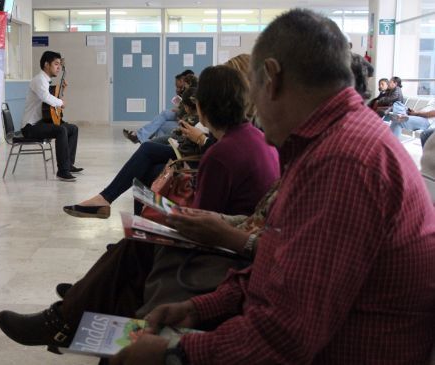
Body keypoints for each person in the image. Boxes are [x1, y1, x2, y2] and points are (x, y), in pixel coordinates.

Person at [107, 9, 434, 364]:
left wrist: (177, 353)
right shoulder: (328, 144)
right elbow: (284, 266)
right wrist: (199, 308)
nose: (253, 109)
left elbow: (286, 336)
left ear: (271, 78)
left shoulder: (344, 161)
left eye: (253, 91)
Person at [0, 65, 281, 354]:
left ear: (202, 109)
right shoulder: (257, 141)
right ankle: (78, 305)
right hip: (236, 237)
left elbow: (203, 219)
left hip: (222, 251)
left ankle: (65, 317)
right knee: (132, 242)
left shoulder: (222, 153)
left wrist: (169, 219)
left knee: (134, 245)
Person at [62, 55, 252, 219]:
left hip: (198, 157)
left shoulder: (246, 127)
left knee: (149, 159)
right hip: (197, 150)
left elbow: (221, 157)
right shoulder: (242, 123)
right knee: (151, 148)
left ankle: (116, 209)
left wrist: (201, 138)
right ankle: (130, 224)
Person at [21, 51, 80, 182]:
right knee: (61, 130)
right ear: (46, 65)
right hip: (31, 127)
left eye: (59, 64)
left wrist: (61, 93)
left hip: (42, 122)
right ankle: (62, 171)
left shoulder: (46, 82)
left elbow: (49, 106)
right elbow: (46, 97)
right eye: (56, 64)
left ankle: (68, 164)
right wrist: (61, 102)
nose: (58, 67)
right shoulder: (39, 80)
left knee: (73, 128)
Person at [123, 70, 195, 144]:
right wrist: (179, 93)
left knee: (161, 125)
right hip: (181, 116)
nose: (181, 86)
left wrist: (179, 112)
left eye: (184, 82)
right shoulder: (186, 91)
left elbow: (187, 113)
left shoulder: (192, 94)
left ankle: (144, 140)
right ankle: (145, 139)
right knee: (163, 115)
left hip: (183, 120)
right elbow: (181, 106)